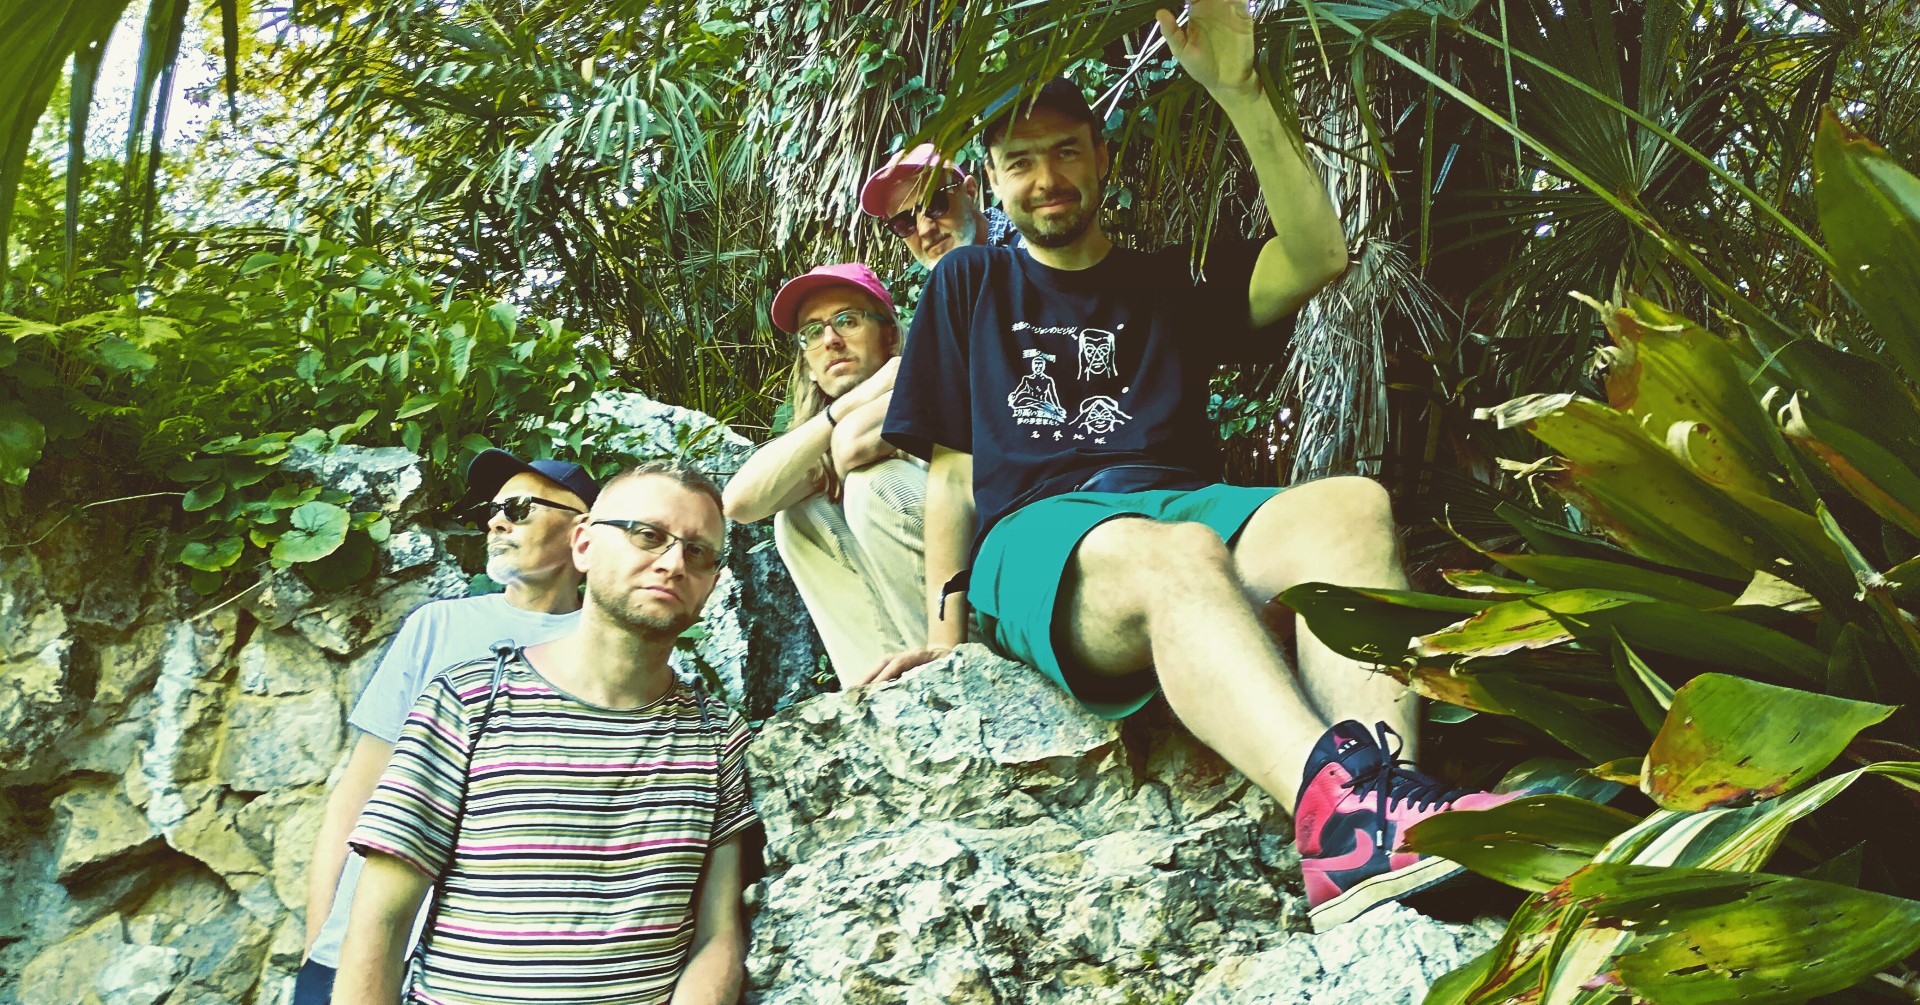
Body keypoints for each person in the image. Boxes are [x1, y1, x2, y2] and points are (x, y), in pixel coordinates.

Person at [879, 0, 1521, 932]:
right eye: (1019, 162)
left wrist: (1240, 88)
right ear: (994, 179)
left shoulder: (1163, 280)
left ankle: (1390, 807)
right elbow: (950, 470)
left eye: (1065, 150)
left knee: (1350, 506)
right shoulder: (966, 283)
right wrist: (946, 640)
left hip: (1187, 508)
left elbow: (1318, 254)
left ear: (1102, 157)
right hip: (1044, 535)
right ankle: (1346, 819)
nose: (1045, 177)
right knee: (1172, 552)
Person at [335, 462, 755, 1005]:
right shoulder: (469, 701)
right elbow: (381, 922)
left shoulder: (717, 733)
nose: (673, 563)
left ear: (712, 581)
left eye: (697, 551)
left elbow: (717, 934)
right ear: (584, 545)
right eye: (647, 535)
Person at [293, 449, 598, 1003]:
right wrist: (321, 942)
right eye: (495, 507)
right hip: (356, 952)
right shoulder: (435, 625)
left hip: (482, 974)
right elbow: (359, 794)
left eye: (521, 507)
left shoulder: (608, 649)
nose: (496, 520)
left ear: (584, 534)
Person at [723, 263, 925, 685]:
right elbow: (740, 502)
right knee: (798, 516)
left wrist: (876, 393)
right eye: (813, 333)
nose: (831, 340)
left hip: (975, 607)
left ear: (889, 333)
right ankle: (880, 687)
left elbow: (856, 446)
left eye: (847, 321)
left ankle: (948, 661)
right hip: (905, 639)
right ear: (809, 365)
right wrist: (845, 407)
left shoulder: (932, 377)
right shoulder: (833, 431)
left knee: (875, 483)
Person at [861, 143, 1019, 268]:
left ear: (970, 192)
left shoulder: (1029, 251)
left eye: (933, 204)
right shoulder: (944, 296)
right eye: (904, 223)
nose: (925, 230)